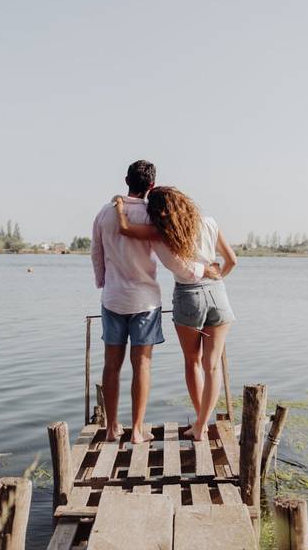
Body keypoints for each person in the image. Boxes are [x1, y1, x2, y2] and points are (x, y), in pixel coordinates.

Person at [91, 161, 221, 444]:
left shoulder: (105, 212)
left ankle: (112, 428)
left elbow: (96, 252)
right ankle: (137, 430)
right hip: (145, 301)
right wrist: (202, 270)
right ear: (151, 186)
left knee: (111, 364)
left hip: (112, 298)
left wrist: (103, 282)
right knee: (143, 365)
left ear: (126, 179)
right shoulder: (152, 217)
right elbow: (172, 260)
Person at [112, 186, 237, 441]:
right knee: (212, 367)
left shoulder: (162, 232)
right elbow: (232, 260)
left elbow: (124, 228)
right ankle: (201, 426)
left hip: (188, 296)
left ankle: (199, 425)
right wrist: (215, 278)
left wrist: (120, 206)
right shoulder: (210, 223)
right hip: (218, 295)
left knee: (193, 361)